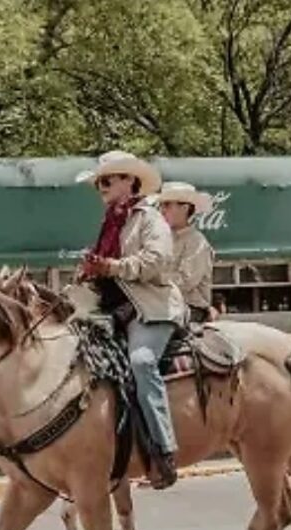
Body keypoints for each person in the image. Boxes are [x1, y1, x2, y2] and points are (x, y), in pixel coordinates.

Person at [76, 150, 186, 489]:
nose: (101, 186)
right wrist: (89, 272)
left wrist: (112, 267)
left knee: (141, 361)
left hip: (149, 309)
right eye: (98, 182)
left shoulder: (150, 218)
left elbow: (157, 261)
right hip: (110, 311)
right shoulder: (110, 222)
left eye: (107, 180)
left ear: (129, 181)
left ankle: (164, 450)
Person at [155, 182, 215, 324]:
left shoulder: (197, 242)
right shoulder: (160, 238)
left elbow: (185, 282)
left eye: (167, 205)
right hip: (163, 304)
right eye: (161, 206)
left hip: (191, 307)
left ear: (184, 208)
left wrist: (151, 281)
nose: (162, 211)